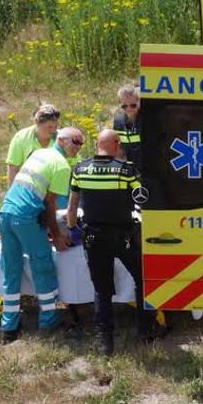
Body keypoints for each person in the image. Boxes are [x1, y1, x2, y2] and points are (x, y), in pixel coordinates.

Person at [66, 129, 154, 355]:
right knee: (143, 280)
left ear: (97, 144)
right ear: (116, 145)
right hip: (124, 236)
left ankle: (105, 341)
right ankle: (145, 331)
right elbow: (142, 199)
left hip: (94, 239)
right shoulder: (127, 171)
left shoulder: (80, 170)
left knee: (101, 290)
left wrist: (72, 229)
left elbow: (72, 206)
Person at [0, 127, 85, 342]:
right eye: (76, 141)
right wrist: (57, 235)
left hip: (5, 212)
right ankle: (49, 321)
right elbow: (51, 204)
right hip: (25, 218)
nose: (79, 147)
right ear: (61, 140)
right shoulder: (62, 166)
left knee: (11, 269)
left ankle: (8, 327)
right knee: (43, 265)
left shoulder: (39, 153)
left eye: (81, 143)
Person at [6, 103, 60, 187]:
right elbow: (13, 169)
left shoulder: (63, 139)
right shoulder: (21, 138)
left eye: (56, 126)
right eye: (49, 127)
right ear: (37, 123)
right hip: (28, 188)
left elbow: (73, 166)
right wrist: (12, 195)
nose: (53, 130)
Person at [113, 84, 142, 168]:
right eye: (124, 106)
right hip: (128, 169)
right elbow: (119, 148)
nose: (129, 109)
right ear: (119, 104)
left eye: (133, 105)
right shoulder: (118, 121)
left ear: (138, 102)